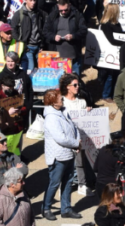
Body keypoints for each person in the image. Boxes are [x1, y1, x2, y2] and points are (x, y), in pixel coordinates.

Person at [42, 88, 82, 220]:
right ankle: (46, 208)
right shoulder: (51, 118)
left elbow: (73, 127)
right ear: (53, 102)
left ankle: (66, 209)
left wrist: (76, 140)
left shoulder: (63, 112)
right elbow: (61, 138)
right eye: (60, 98)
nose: (63, 100)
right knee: (54, 183)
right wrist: (75, 143)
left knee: (68, 182)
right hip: (58, 156)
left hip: (68, 153)